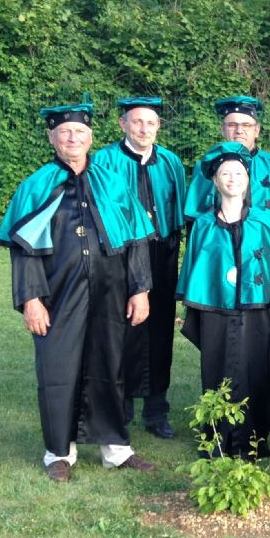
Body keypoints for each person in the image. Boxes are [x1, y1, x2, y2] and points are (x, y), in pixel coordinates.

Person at [0, 102, 157, 482]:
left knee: (111, 366)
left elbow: (136, 241)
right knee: (57, 368)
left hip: (111, 293)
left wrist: (140, 290)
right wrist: (31, 300)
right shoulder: (35, 186)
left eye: (80, 132)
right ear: (52, 138)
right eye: (65, 132)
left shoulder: (113, 183)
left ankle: (116, 449)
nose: (73, 138)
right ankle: (59, 452)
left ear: (91, 137)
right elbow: (24, 251)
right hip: (58, 295)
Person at [185, 95, 270, 434]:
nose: (239, 131)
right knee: (223, 341)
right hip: (223, 267)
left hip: (267, 267)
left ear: (257, 130)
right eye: (232, 125)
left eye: (246, 126)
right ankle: (221, 408)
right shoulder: (209, 168)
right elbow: (198, 221)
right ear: (223, 128)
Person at [92, 96, 187, 439]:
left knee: (160, 330)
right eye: (137, 122)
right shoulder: (104, 160)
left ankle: (156, 410)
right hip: (120, 255)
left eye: (150, 123)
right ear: (123, 124)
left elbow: (179, 211)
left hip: (162, 254)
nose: (143, 129)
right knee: (122, 328)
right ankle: (122, 406)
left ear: (158, 127)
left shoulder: (171, 162)